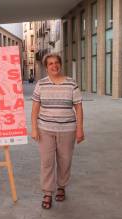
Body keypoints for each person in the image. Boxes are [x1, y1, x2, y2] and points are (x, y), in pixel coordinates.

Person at [31, 53, 84, 209]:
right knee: (46, 162)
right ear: (46, 67)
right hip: (45, 129)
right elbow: (35, 109)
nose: (54, 66)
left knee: (65, 160)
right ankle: (47, 192)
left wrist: (80, 129)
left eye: (56, 63)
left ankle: (61, 186)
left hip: (67, 130)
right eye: (50, 64)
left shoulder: (71, 84)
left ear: (60, 64)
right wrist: (34, 128)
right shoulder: (41, 84)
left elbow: (79, 108)